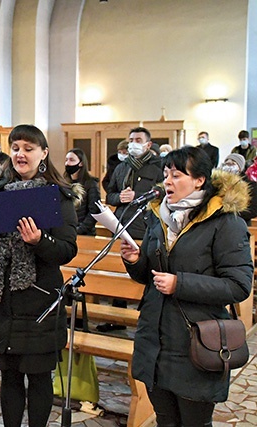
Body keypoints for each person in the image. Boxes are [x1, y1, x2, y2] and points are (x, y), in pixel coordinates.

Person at [120, 145, 252, 427]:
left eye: (177, 175)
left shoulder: (226, 223)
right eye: (166, 174)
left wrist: (181, 284)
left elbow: (239, 285)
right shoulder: (160, 218)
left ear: (199, 180)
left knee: (194, 423)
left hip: (196, 341)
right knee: (165, 420)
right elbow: (150, 276)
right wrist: (134, 261)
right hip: (155, 338)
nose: (167, 181)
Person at [0, 124, 78, 427]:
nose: (20, 154)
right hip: (3, 300)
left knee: (40, 378)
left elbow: (67, 250)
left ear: (43, 153)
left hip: (39, 301)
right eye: (15, 148)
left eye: (28, 148)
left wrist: (38, 241)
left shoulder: (58, 195)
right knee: (10, 376)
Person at [103, 127, 163, 332]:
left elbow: (164, 194)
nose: (133, 143)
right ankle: (116, 317)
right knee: (119, 270)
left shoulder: (158, 166)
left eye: (138, 140)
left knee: (144, 269)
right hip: (121, 223)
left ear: (148, 145)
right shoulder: (121, 167)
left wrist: (139, 194)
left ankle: (145, 317)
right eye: (130, 140)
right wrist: (118, 198)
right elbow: (110, 193)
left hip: (145, 226)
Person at [64, 148, 100, 235]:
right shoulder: (64, 182)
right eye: (66, 160)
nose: (68, 163)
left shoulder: (91, 184)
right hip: (67, 230)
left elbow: (94, 211)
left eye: (72, 160)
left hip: (84, 232)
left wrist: (80, 229)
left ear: (81, 163)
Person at [220, 153, 257, 225]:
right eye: (227, 164)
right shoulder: (218, 183)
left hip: (241, 223)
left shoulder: (251, 186)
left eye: (232, 164)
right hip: (219, 223)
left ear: (240, 167)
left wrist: (230, 213)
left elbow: (253, 210)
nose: (229, 167)